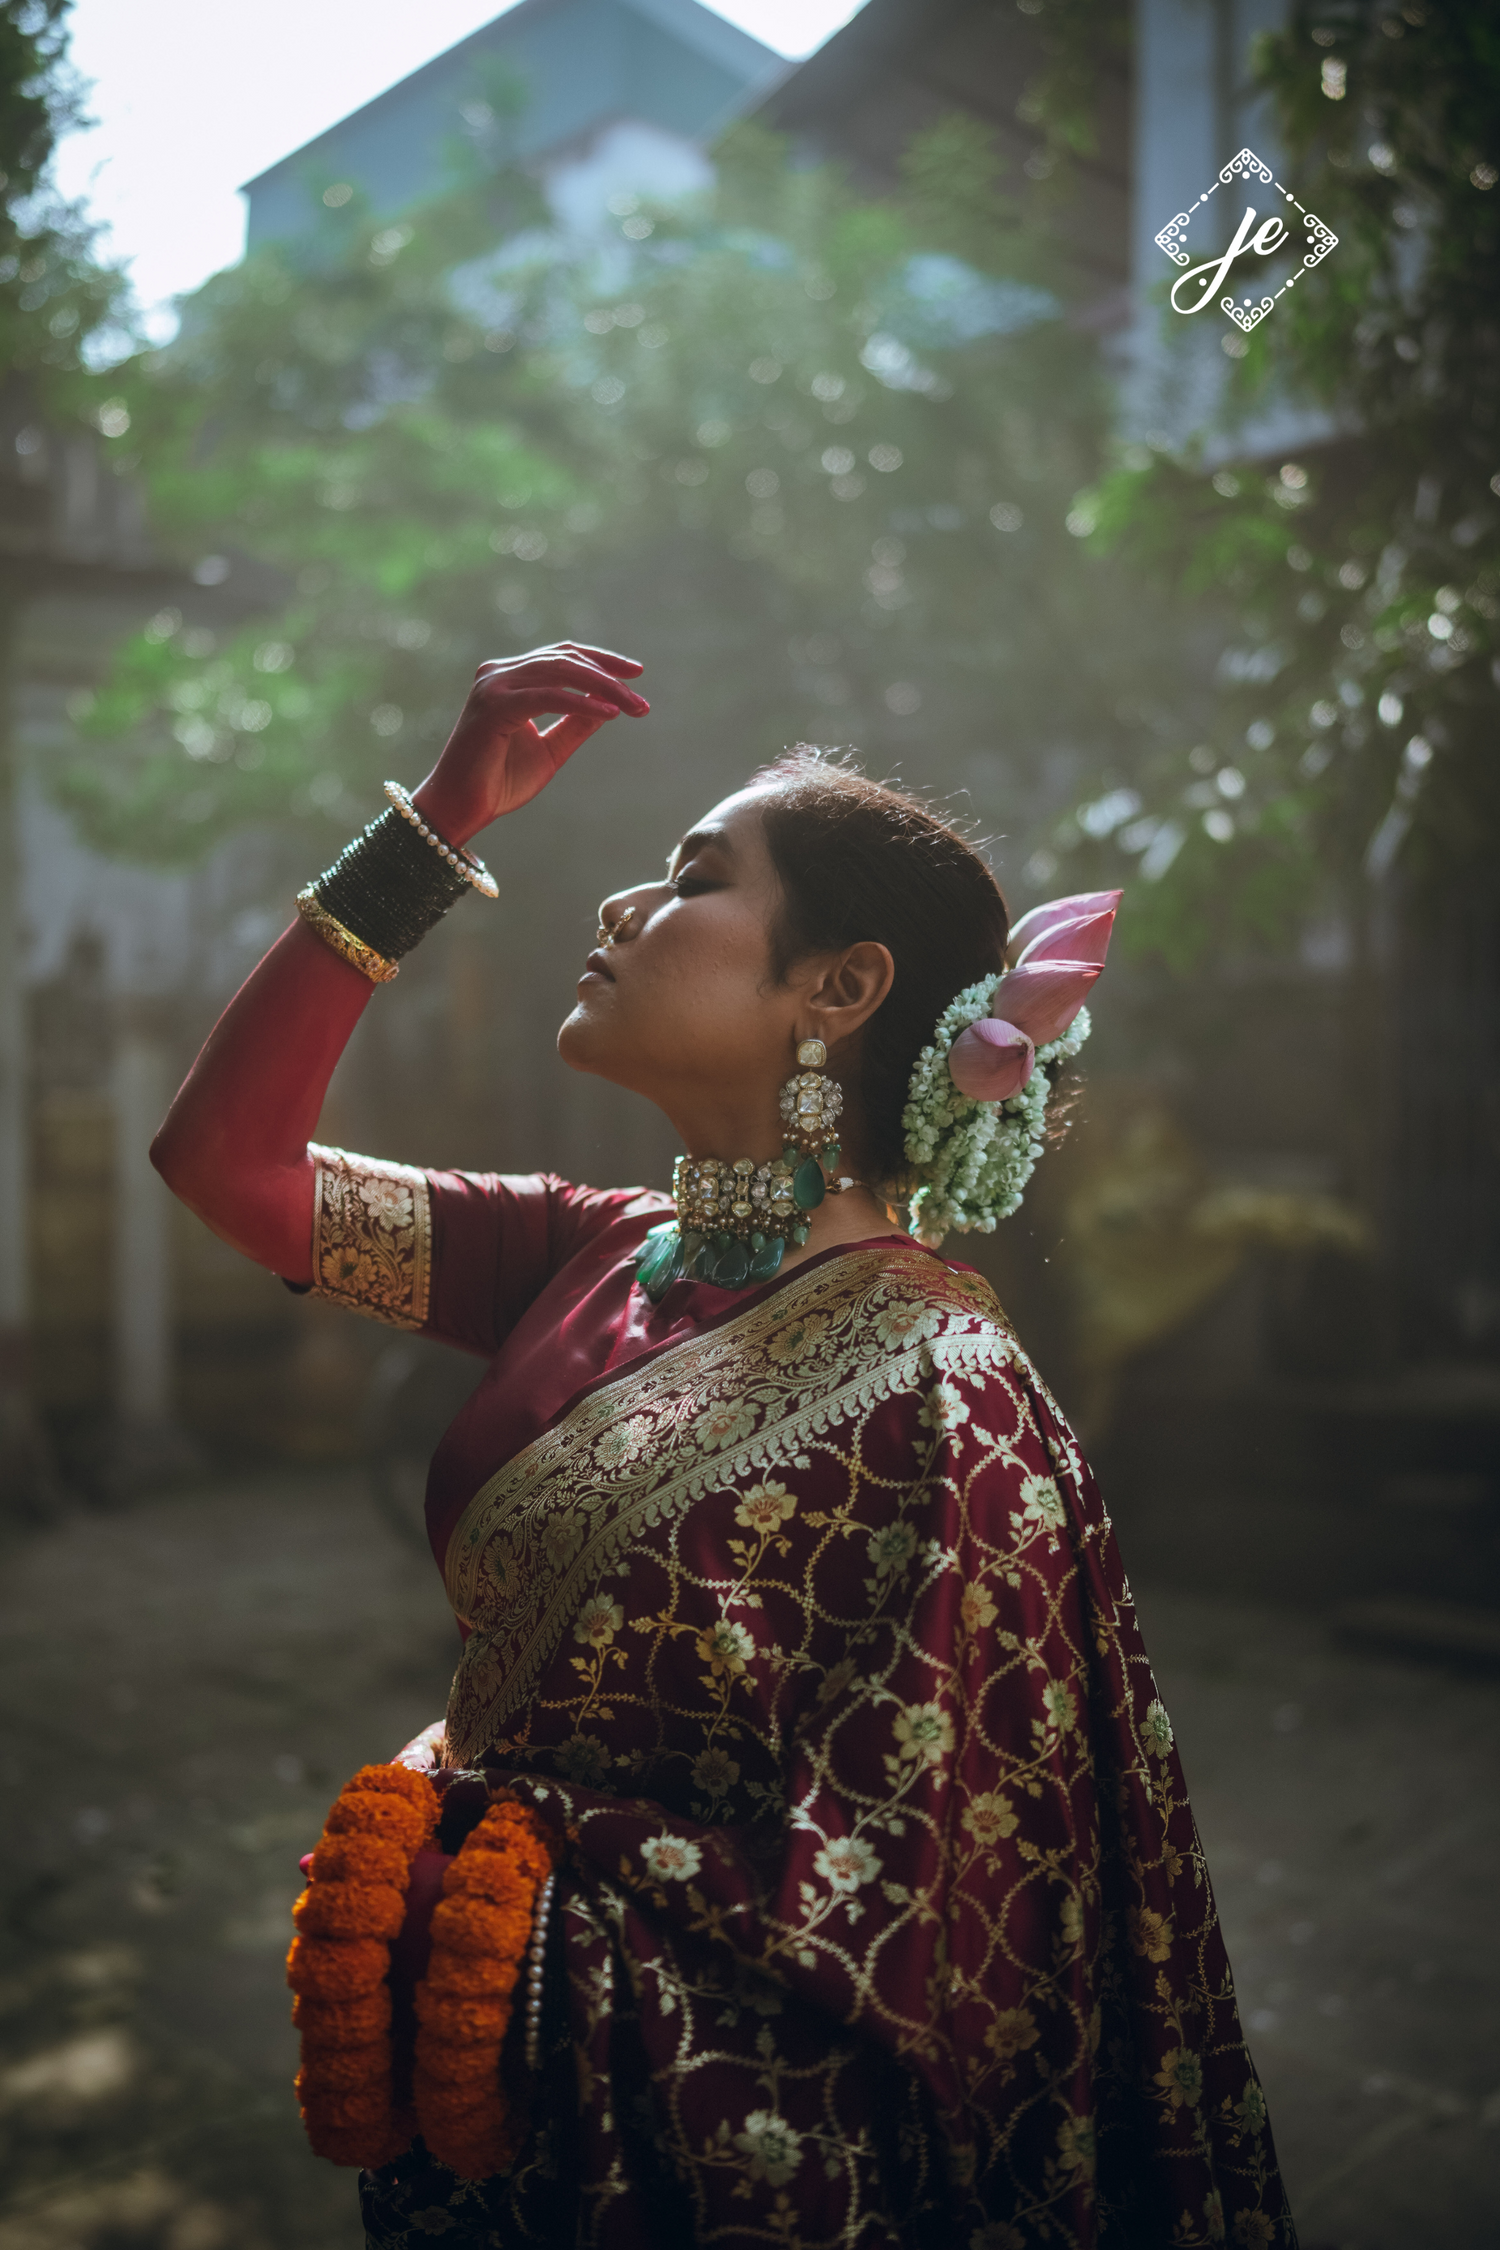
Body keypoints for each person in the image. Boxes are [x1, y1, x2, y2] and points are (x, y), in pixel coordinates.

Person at [152, 644, 1297, 2248]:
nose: (619, 905)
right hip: (467, 2096)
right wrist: (431, 827)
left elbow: (948, 1920)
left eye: (694, 878)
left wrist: (529, 1923)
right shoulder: (586, 1250)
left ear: (840, 987)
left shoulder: (949, 1394)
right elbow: (224, 1161)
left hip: (670, 2149)